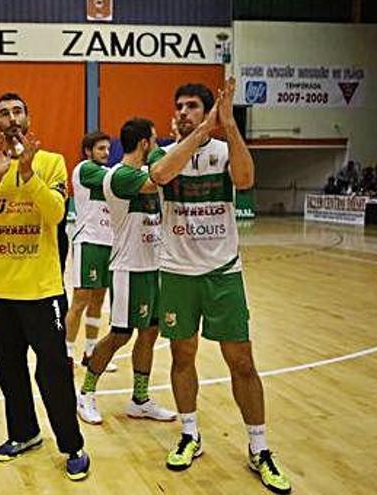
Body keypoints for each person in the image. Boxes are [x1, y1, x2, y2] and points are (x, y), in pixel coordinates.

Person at [151, 79, 291, 493]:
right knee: (182, 354)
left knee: (242, 361)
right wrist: (199, 131)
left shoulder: (226, 151)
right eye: (179, 105)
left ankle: (259, 447)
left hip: (222, 271)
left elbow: (245, 180)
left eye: (193, 106)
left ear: (209, 110)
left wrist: (227, 125)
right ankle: (190, 433)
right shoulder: (166, 152)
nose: (182, 111)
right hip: (176, 271)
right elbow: (160, 174)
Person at [0, 92, 89, 481]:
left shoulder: (51, 162)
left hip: (43, 290)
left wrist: (29, 172)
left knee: (52, 371)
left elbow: (55, 213)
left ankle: (72, 445)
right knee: (9, 368)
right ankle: (25, 433)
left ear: (29, 118)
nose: (12, 118)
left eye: (18, 111)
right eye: (4, 113)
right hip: (1, 290)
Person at [75, 118, 178, 425]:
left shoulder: (147, 172)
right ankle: (86, 393)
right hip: (128, 268)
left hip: (153, 266)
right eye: (154, 141)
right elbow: (156, 177)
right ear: (144, 143)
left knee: (150, 332)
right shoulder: (119, 176)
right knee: (120, 334)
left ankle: (140, 399)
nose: (157, 146)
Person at [65, 131, 117, 372]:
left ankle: (90, 351)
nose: (106, 153)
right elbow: (120, 178)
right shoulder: (85, 169)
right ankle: (65, 352)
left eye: (108, 149)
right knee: (80, 300)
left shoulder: (108, 173)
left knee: (98, 299)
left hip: (109, 243)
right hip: (88, 242)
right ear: (88, 151)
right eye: (100, 149)